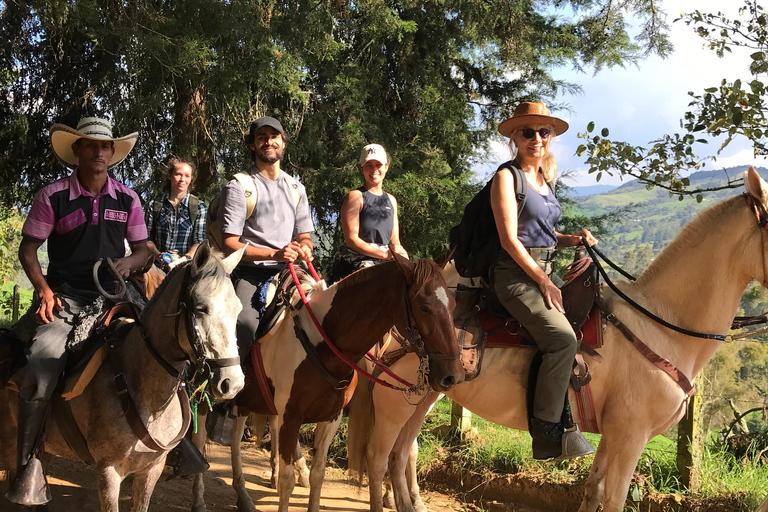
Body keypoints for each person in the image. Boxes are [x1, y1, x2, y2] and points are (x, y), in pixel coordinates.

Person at [6, 117, 148, 506]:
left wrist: (130, 262)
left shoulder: (128, 198)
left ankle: (176, 440)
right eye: (91, 145)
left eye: (105, 147)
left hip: (117, 293)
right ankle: (28, 465)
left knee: (166, 342)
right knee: (42, 359)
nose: (100, 152)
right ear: (77, 151)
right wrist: (43, 290)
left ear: (112, 153)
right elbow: (28, 250)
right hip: (67, 294)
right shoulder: (52, 196)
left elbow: (145, 249)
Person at [490, 101, 598, 460]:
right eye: (528, 132)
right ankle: (549, 432)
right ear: (515, 138)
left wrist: (573, 239)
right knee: (564, 341)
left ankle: (572, 417)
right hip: (515, 277)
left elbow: (545, 232)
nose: (537, 138)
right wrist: (544, 281)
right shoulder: (507, 177)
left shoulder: (544, 179)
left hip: (543, 273)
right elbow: (509, 239)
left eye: (543, 132)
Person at [217, 116, 314, 356]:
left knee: (322, 317)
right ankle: (232, 391)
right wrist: (275, 253)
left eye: (274, 137)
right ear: (252, 145)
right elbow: (229, 244)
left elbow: (305, 236)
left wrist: (305, 248)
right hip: (251, 274)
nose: (269, 142)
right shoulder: (240, 187)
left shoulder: (296, 189)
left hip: (290, 272)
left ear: (283, 142)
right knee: (244, 326)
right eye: (262, 138)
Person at [325, 143, 408, 284]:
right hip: (358, 260)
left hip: (386, 258)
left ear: (386, 167)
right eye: (369, 165)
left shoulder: (391, 200)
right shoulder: (356, 196)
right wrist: (385, 255)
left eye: (378, 165)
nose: (374, 169)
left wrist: (400, 252)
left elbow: (395, 240)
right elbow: (352, 240)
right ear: (361, 168)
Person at [145, 158, 207, 269]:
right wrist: (159, 255)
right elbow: (146, 238)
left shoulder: (199, 207)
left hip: (185, 269)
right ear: (170, 175)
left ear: (191, 179)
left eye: (187, 176)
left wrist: (182, 260)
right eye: (178, 174)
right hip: (156, 268)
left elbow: (199, 241)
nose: (182, 179)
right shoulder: (154, 205)